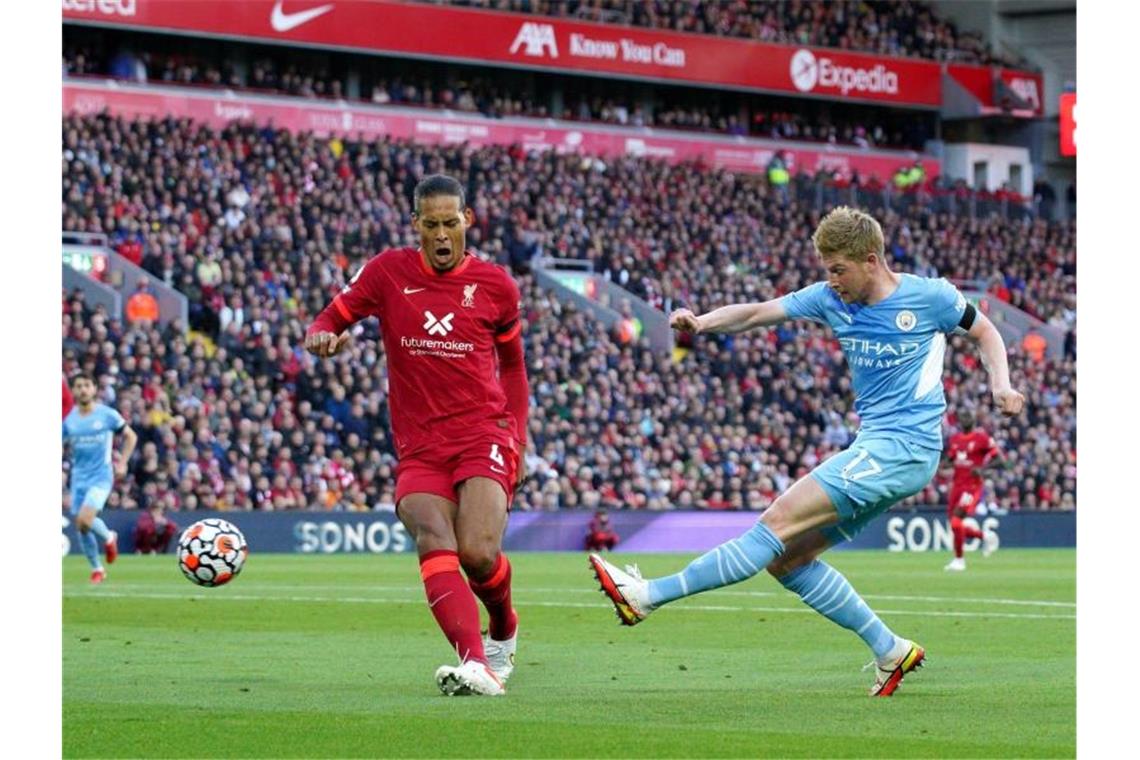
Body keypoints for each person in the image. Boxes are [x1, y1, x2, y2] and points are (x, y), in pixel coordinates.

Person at [590, 206, 1025, 697]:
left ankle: (646, 596)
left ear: (871, 259)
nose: (831, 280)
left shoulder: (931, 297)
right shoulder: (828, 299)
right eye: (826, 270)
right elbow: (757, 313)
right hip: (880, 447)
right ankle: (890, 649)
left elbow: (985, 331)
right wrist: (703, 323)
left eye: (838, 269)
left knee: (774, 523)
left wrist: (1000, 386)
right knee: (788, 560)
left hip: (905, 446)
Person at [305, 174, 529, 697]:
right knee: (432, 533)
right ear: (416, 226)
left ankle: (504, 626)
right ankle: (477, 664)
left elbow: (514, 369)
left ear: (467, 220)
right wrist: (322, 337)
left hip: (483, 432)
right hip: (420, 445)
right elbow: (332, 316)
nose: (443, 234)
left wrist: (516, 435)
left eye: (451, 223)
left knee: (477, 553)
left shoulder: (497, 286)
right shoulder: (387, 272)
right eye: (432, 225)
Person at [63, 373, 138, 583]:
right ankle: (98, 567)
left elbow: (131, 436)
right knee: (82, 525)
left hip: (101, 476)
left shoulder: (107, 415)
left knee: (85, 519)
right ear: (74, 391)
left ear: (94, 389)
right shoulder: (69, 420)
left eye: (87, 385)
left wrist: (122, 462)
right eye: (78, 386)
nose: (83, 390)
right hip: (78, 479)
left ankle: (107, 538)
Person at [942, 409, 1001, 571]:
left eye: (968, 415)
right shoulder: (955, 440)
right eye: (963, 416)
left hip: (972, 487)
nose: (965, 418)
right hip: (957, 486)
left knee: (955, 522)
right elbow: (949, 460)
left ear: (974, 419)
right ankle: (986, 537)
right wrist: (945, 464)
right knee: (954, 525)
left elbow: (1000, 461)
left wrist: (983, 469)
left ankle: (959, 561)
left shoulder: (982, 438)